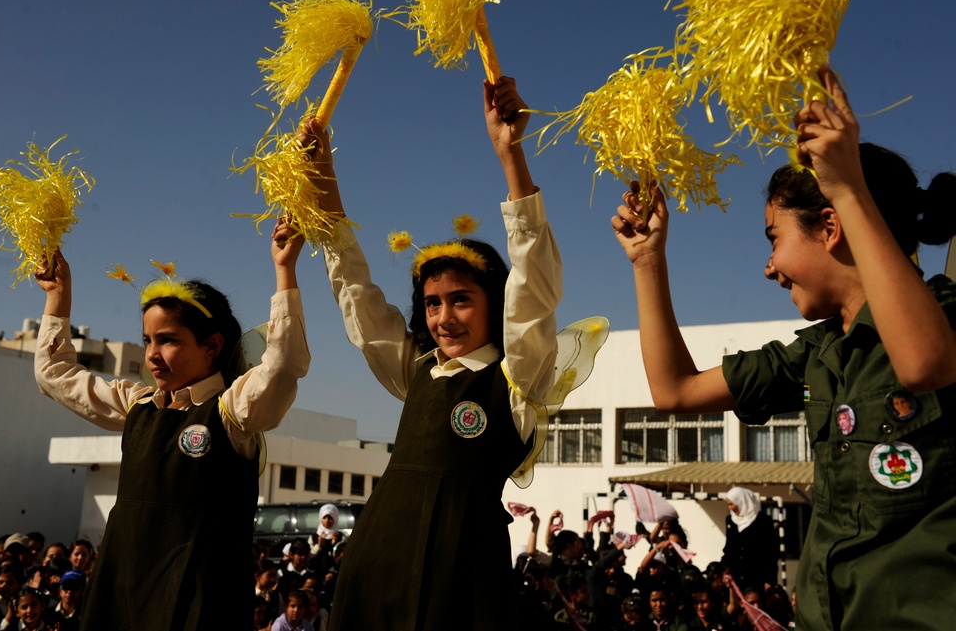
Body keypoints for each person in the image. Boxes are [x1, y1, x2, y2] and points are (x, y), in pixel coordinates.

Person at [612, 63, 956, 629]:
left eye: (775, 239)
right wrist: (649, 261)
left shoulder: (944, 312)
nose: (769, 267)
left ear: (831, 226)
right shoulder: (817, 352)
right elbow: (674, 391)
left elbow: (921, 362)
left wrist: (846, 187)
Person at [312, 75, 561, 631]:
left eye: (461, 300)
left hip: (461, 582)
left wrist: (510, 155)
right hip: (375, 565)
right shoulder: (415, 370)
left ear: (496, 304)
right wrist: (323, 182)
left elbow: (536, 285)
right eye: (431, 304)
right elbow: (356, 294)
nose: (443, 317)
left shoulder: (517, 377)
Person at [33, 218, 310, 631]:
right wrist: (58, 297)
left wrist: (284, 271)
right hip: (122, 590)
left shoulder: (232, 412)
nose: (153, 354)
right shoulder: (137, 405)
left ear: (213, 345)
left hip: (198, 603)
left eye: (169, 340)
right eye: (148, 340)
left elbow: (283, 365)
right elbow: (53, 374)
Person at [720, 486, 777, 593]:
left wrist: (769, 580)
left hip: (757, 578)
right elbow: (729, 548)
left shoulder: (763, 521)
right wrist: (723, 569)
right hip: (736, 578)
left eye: (731, 504)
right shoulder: (730, 521)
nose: (730, 509)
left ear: (742, 502)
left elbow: (771, 552)